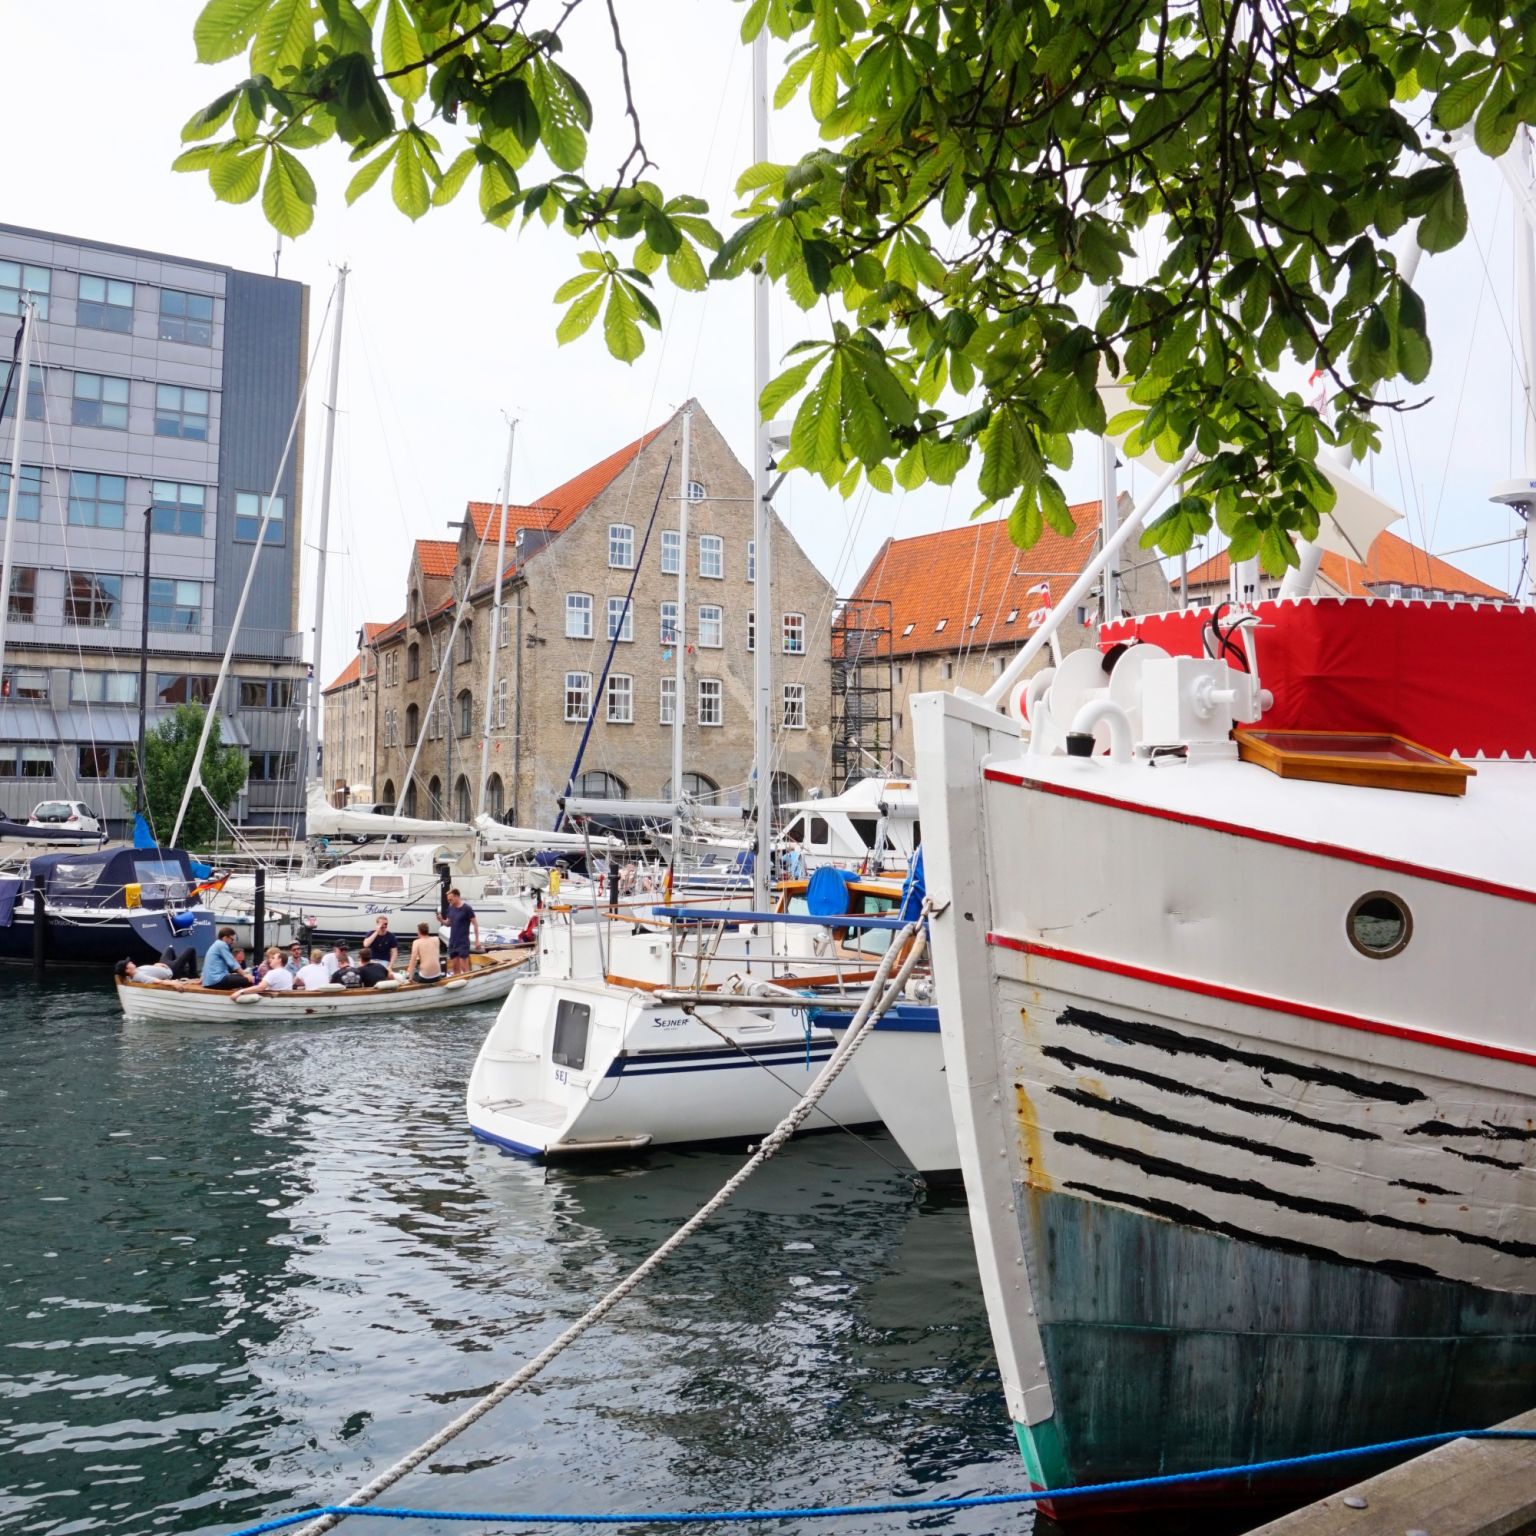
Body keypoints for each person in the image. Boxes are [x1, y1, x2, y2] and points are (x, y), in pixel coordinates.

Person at [232, 947, 296, 1001]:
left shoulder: (272, 973)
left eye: (273, 958)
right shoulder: (289, 974)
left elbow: (260, 988)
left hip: (274, 1002)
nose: (270, 960)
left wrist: (240, 991)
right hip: (285, 1001)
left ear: (279, 960)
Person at [442, 887, 479, 975]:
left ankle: (469, 981)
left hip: (463, 942)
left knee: (464, 968)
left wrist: (477, 940)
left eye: (450, 899)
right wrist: (440, 920)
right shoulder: (450, 908)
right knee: (455, 968)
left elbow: (475, 924)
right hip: (452, 942)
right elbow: (448, 923)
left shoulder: (467, 908)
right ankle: (458, 981)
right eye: (448, 900)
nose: (449, 902)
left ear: (456, 897)